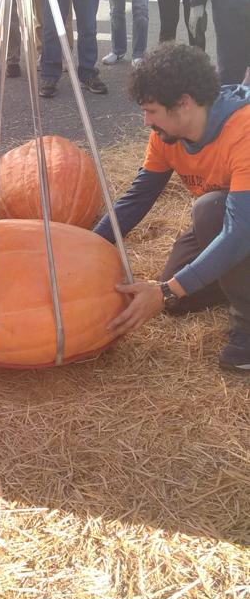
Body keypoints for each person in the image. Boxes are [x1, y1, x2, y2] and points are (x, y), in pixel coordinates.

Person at [93, 43, 250, 373]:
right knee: (182, 301)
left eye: (151, 111)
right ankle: (236, 283)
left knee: (209, 211)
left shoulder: (243, 130)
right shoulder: (167, 136)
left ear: (184, 104)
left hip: (239, 224)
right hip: (232, 220)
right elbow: (137, 198)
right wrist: (88, 244)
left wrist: (164, 291)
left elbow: (238, 233)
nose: (145, 120)